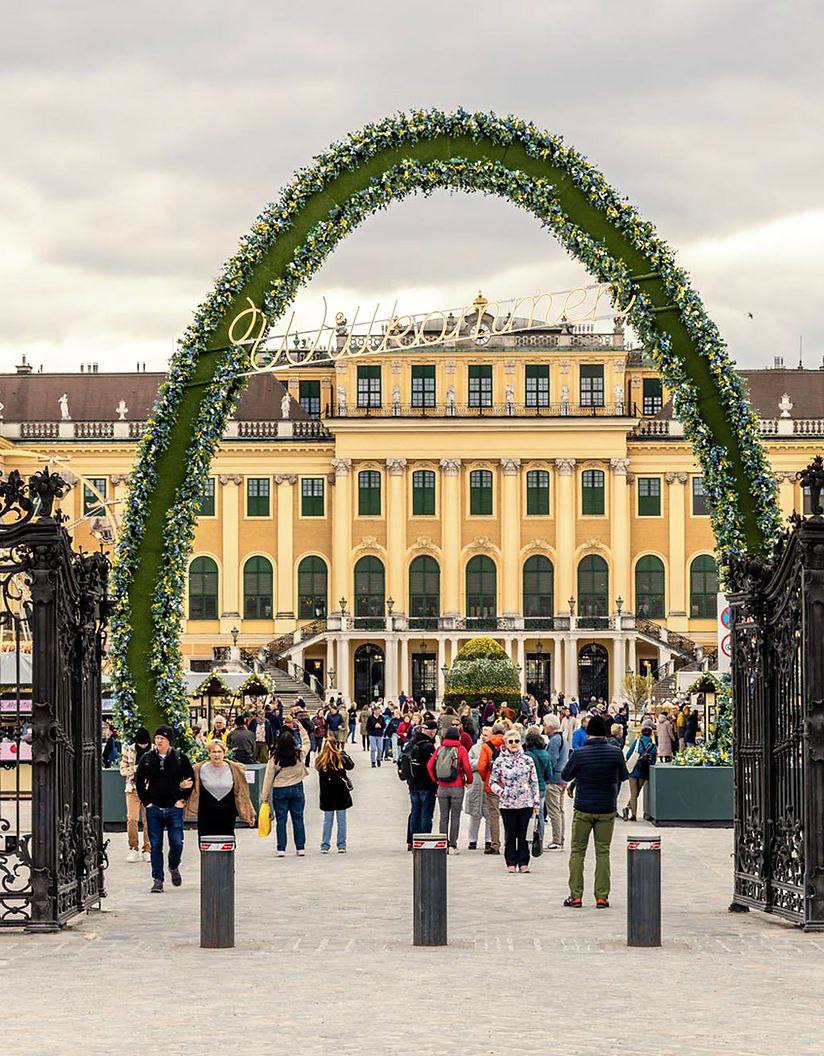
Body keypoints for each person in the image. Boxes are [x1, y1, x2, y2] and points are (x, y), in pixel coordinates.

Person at [560, 714, 629, 908]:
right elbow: (623, 776)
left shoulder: (580, 754)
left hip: (583, 807)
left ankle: (576, 895)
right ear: (605, 733)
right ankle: (601, 896)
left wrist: (579, 778)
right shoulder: (615, 753)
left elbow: (566, 774)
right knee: (603, 852)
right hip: (606, 807)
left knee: (577, 851)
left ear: (588, 732)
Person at [134, 725, 195, 893]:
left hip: (174, 807)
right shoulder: (147, 759)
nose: (159, 741)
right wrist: (147, 802)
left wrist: (182, 799)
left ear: (169, 741)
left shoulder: (179, 758)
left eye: (162, 738)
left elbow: (191, 779)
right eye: (157, 738)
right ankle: (157, 879)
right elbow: (139, 782)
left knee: (177, 842)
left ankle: (173, 865)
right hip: (154, 808)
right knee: (155, 844)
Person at [488, 728, 540, 873]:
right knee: (510, 833)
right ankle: (510, 861)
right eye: (510, 741)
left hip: (526, 802)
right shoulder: (499, 761)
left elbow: (534, 781)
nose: (514, 744)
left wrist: (536, 803)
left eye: (516, 741)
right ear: (505, 743)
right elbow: (492, 782)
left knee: (524, 834)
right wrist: (501, 792)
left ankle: (523, 862)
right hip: (507, 803)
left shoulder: (528, 759)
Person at [185, 739, 255, 835]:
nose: (216, 755)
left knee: (227, 841)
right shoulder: (198, 769)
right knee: (206, 841)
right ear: (209, 753)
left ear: (224, 753)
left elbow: (243, 793)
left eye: (219, 751)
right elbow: (189, 788)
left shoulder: (235, 768)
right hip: (206, 814)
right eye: (213, 752)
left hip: (227, 813)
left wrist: (250, 814)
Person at [261, 729, 309, 857]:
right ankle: (300, 847)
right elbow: (307, 743)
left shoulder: (274, 758)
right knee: (298, 818)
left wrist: (264, 798)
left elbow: (268, 778)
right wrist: (302, 729)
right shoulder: (299, 754)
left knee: (281, 820)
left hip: (280, 789)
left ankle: (281, 848)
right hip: (297, 787)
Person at [427, 725, 473, 853]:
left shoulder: (440, 748)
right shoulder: (461, 749)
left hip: (442, 787)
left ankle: (443, 844)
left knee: (443, 816)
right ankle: (453, 845)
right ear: (458, 736)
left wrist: (436, 780)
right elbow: (468, 768)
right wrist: (469, 781)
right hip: (457, 786)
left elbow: (430, 765)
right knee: (455, 816)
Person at [315, 736, 355, 853]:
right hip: (340, 793)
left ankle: (325, 845)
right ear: (336, 745)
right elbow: (351, 766)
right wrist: (344, 753)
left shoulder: (320, 760)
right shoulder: (340, 757)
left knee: (327, 821)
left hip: (327, 794)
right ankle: (341, 845)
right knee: (341, 820)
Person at [119, 726, 152, 862]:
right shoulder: (129, 749)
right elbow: (122, 770)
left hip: (150, 790)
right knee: (132, 819)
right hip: (132, 789)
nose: (143, 746)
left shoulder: (154, 750)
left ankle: (148, 849)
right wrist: (136, 768)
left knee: (148, 820)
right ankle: (133, 848)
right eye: (140, 744)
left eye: (145, 743)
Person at [405, 720, 439, 848]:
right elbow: (431, 767)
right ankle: (423, 840)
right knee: (426, 813)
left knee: (415, 812)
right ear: (432, 731)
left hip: (413, 784)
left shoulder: (411, 743)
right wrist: (435, 784)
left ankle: (412, 840)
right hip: (426, 784)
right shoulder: (428, 746)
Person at [477, 722, 506, 855]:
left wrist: (485, 778)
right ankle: (510, 841)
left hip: (492, 783)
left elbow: (481, 766)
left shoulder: (486, 746)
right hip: (508, 784)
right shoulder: (509, 743)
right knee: (509, 814)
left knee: (494, 815)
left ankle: (495, 844)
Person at [523, 726, 552, 850]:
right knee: (539, 813)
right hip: (541, 788)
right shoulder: (545, 754)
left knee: (527, 813)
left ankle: (527, 837)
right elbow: (549, 775)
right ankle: (539, 839)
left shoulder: (526, 755)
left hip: (528, 788)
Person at [543, 713, 568, 850]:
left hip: (553, 779)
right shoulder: (561, 738)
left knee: (554, 811)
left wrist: (545, 775)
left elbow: (551, 760)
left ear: (551, 726)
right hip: (562, 778)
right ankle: (560, 838)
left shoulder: (554, 740)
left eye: (545, 724)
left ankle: (557, 840)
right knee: (559, 810)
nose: (544, 727)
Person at [623, 719, 657, 821]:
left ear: (641, 733)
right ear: (651, 735)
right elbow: (653, 761)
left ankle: (632, 814)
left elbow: (629, 754)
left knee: (633, 792)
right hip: (644, 771)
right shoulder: (653, 746)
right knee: (637, 791)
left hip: (633, 769)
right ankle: (628, 808)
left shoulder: (637, 742)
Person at [464, 728, 491, 850]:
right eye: (482, 734)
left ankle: (488, 840)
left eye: (486, 735)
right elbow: (469, 763)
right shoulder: (475, 748)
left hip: (488, 783)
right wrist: (481, 763)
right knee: (475, 814)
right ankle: (472, 840)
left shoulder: (494, 747)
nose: (483, 737)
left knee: (489, 814)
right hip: (476, 783)